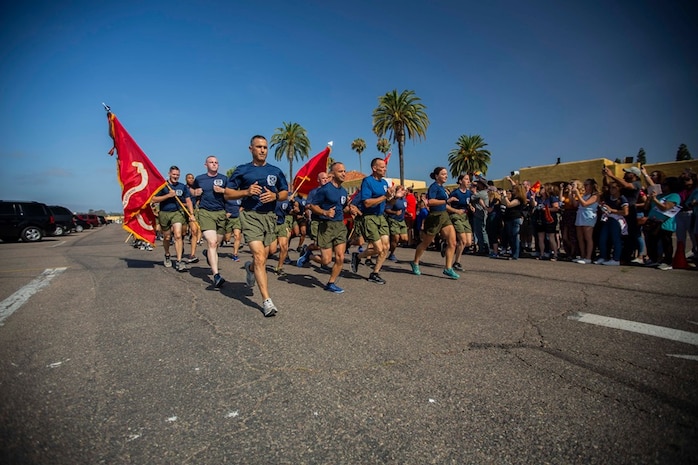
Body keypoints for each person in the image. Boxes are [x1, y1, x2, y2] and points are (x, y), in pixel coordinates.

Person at [225, 135, 289, 317]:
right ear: (251, 149)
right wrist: (245, 191)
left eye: (265, 147)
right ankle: (267, 301)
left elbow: (285, 193)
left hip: (270, 217)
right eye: (259, 147)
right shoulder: (242, 170)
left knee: (270, 251)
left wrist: (275, 196)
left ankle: (250, 268)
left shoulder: (275, 171)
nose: (262, 150)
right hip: (250, 217)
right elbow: (228, 194)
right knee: (260, 256)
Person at [307, 162, 359, 293]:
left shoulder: (343, 191)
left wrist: (350, 209)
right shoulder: (324, 189)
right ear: (332, 174)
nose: (344, 173)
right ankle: (309, 256)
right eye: (340, 171)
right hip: (326, 226)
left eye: (344, 171)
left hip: (339, 226)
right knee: (326, 260)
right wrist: (325, 212)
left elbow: (342, 208)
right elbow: (313, 206)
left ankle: (331, 283)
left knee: (340, 257)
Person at [410, 167, 460, 279]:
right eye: (443, 174)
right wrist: (447, 200)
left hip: (444, 216)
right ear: (437, 176)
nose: (446, 176)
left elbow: (444, 204)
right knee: (426, 243)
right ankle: (415, 262)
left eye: (446, 174)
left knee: (453, 242)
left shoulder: (442, 188)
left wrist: (456, 210)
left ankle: (448, 268)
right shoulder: (433, 187)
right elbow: (431, 202)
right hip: (435, 217)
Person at [351, 158, 395, 284]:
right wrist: (384, 196)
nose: (385, 169)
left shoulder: (384, 183)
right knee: (378, 249)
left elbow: (389, 202)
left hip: (381, 217)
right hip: (369, 217)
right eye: (382, 167)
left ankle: (375, 273)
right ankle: (358, 256)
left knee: (386, 247)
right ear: (374, 168)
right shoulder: (367, 181)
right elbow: (367, 202)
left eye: (385, 167)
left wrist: (395, 197)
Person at [152, 165, 196, 272]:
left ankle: (179, 261)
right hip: (164, 213)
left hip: (177, 213)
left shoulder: (182, 186)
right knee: (167, 237)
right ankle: (167, 254)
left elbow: (188, 200)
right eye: (174, 174)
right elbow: (153, 199)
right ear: (169, 174)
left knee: (177, 235)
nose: (176, 176)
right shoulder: (163, 186)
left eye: (177, 175)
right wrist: (168, 196)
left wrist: (191, 213)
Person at [193, 156, 228, 288]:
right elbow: (190, 190)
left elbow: (230, 193)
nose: (214, 164)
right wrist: (195, 192)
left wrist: (223, 190)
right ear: (205, 165)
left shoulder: (224, 179)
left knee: (217, 243)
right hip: (205, 212)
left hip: (221, 213)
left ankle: (209, 256)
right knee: (212, 243)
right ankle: (216, 276)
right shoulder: (200, 179)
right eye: (211, 162)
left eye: (216, 163)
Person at [603, 165, 641, 263]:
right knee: (615, 235)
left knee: (629, 235)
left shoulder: (636, 183)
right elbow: (609, 186)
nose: (625, 174)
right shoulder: (622, 184)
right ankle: (615, 255)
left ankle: (626, 257)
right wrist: (606, 176)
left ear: (634, 175)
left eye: (628, 172)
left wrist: (612, 175)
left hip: (630, 211)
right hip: (617, 212)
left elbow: (627, 186)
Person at [645, 177, 681, 270]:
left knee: (666, 243)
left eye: (665, 185)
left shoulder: (674, 196)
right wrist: (650, 198)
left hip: (665, 223)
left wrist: (655, 199)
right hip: (653, 222)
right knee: (652, 242)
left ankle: (668, 262)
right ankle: (654, 259)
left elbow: (665, 207)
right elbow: (651, 187)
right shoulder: (660, 195)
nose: (662, 186)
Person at [297, 171, 331, 267]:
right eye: (323, 178)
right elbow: (307, 205)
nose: (325, 180)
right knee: (319, 244)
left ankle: (311, 254)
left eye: (326, 178)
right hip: (317, 221)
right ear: (318, 180)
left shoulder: (330, 191)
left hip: (327, 221)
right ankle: (307, 251)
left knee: (326, 244)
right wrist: (314, 207)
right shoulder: (314, 192)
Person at [595, 182, 629, 266]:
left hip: (616, 220)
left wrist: (612, 210)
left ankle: (616, 259)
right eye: (610, 188)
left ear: (619, 189)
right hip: (607, 219)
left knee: (616, 239)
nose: (611, 190)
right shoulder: (608, 198)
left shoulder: (622, 198)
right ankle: (603, 256)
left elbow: (625, 212)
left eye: (614, 188)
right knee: (602, 239)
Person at [571, 178, 600, 264]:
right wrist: (573, 195)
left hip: (588, 215)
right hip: (580, 214)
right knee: (580, 237)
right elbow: (576, 204)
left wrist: (578, 194)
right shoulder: (584, 194)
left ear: (592, 186)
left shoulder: (595, 195)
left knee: (588, 237)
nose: (585, 186)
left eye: (587, 185)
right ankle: (582, 255)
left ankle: (588, 257)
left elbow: (585, 204)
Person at [448, 174, 473, 270]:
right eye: (466, 179)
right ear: (460, 181)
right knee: (463, 241)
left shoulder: (468, 193)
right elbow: (447, 204)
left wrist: (471, 207)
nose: (468, 181)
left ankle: (447, 245)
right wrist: (450, 200)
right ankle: (456, 262)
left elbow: (468, 202)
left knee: (468, 243)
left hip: (465, 217)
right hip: (456, 216)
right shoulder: (455, 192)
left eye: (469, 179)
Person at [501, 184, 527, 260]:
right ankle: (512, 252)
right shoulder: (513, 197)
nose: (513, 190)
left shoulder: (519, 199)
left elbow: (509, 205)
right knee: (510, 236)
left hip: (515, 218)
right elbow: (504, 202)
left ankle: (516, 254)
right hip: (509, 218)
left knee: (515, 236)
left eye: (515, 189)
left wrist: (505, 196)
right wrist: (503, 196)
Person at [384, 185, 408, 262]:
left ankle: (391, 243)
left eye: (404, 190)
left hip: (402, 221)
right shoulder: (393, 200)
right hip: (393, 220)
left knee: (405, 239)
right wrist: (395, 212)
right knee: (396, 238)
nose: (404, 191)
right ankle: (392, 254)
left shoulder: (405, 200)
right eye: (402, 190)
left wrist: (407, 213)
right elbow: (387, 209)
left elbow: (403, 209)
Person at [183, 173, 202, 263]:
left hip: (193, 211)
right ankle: (180, 244)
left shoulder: (196, 189)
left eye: (192, 178)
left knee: (194, 230)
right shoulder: (183, 188)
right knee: (182, 232)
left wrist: (197, 204)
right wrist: (186, 204)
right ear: (186, 179)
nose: (191, 179)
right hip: (183, 210)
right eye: (189, 178)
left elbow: (199, 198)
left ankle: (192, 254)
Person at [471, 176, 490, 255]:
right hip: (478, 214)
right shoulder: (482, 192)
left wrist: (474, 191)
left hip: (480, 215)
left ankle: (483, 248)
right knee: (480, 231)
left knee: (481, 232)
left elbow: (472, 197)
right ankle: (483, 247)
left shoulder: (482, 193)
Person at [223, 198, 243, 262]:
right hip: (228, 219)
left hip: (237, 219)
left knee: (237, 236)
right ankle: (222, 240)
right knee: (227, 238)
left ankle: (235, 254)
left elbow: (243, 205)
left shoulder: (241, 196)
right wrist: (225, 214)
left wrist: (240, 211)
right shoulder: (227, 196)